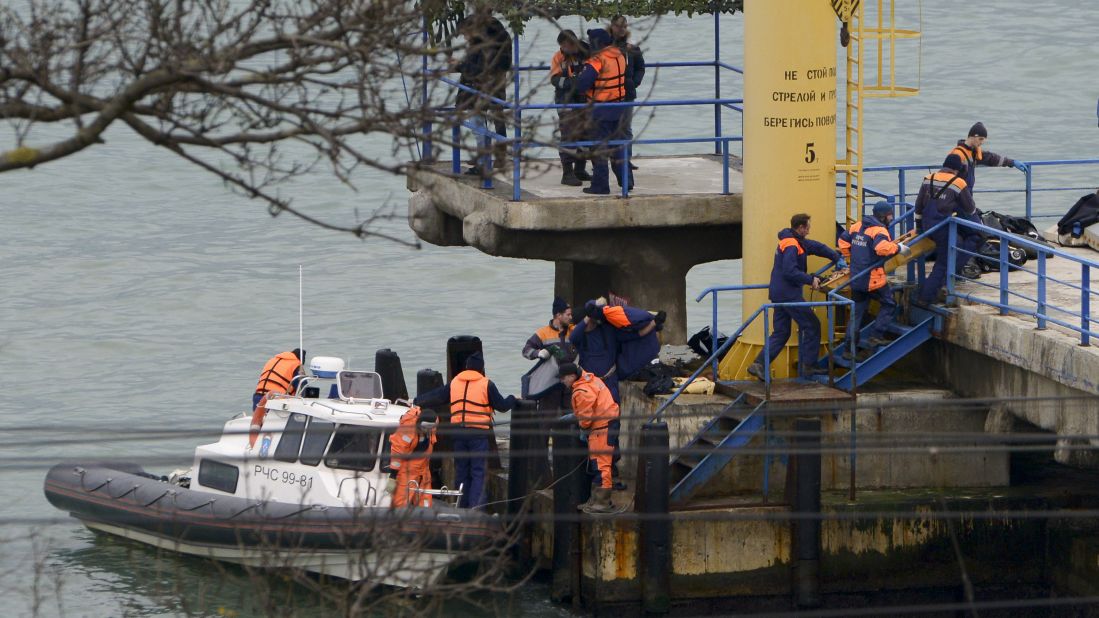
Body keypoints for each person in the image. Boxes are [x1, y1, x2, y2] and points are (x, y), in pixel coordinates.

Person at [413, 352, 517, 509]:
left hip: (458, 434)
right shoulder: (486, 384)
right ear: (481, 369)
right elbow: (502, 406)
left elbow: (437, 396)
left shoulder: (455, 382)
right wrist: (513, 398)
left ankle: (461, 506)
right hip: (477, 435)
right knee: (478, 472)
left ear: (466, 367)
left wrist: (416, 401)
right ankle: (476, 509)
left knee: (461, 471)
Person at [747, 214, 843, 381]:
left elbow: (816, 247)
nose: (810, 229)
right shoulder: (792, 244)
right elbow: (789, 271)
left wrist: (836, 257)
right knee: (812, 325)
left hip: (779, 293)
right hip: (789, 294)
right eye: (808, 227)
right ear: (800, 228)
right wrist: (810, 279)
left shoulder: (793, 240)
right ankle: (809, 367)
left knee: (782, 332)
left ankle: (758, 364)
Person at [838, 201, 909, 354]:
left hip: (856, 276)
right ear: (883, 216)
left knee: (856, 315)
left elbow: (842, 241)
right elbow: (881, 248)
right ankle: (875, 336)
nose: (891, 218)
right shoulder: (879, 231)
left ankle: (848, 351)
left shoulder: (857, 226)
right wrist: (898, 248)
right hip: (872, 279)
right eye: (890, 215)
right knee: (889, 303)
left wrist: (851, 258)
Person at [451, 11, 512, 177]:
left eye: (465, 34)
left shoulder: (482, 43)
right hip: (498, 80)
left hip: (483, 85)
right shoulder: (501, 36)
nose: (464, 37)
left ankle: (484, 160)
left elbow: (477, 68)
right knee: (496, 116)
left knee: (479, 122)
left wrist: (459, 66)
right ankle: (497, 156)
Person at [915, 155, 981, 305]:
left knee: (954, 244)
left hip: (927, 225)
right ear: (956, 169)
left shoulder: (928, 178)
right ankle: (925, 297)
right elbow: (970, 209)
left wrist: (919, 227)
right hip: (942, 227)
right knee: (945, 261)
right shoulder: (958, 182)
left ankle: (950, 274)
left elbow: (918, 205)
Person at [573, 28, 629, 195]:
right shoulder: (619, 54)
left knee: (599, 149)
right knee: (618, 146)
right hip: (619, 107)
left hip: (600, 110)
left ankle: (600, 185)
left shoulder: (597, 60)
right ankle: (627, 180)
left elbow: (582, 85)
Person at [559, 362, 620, 514]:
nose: (562, 382)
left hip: (601, 428)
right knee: (600, 462)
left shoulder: (581, 390)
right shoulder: (591, 379)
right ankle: (596, 499)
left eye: (563, 378)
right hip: (609, 422)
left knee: (600, 464)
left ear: (572, 377)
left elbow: (586, 419)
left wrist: (582, 426)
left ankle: (602, 502)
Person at [550, 30, 591, 186]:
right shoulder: (558, 57)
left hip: (584, 100)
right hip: (565, 101)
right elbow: (554, 79)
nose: (569, 49)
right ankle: (567, 173)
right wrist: (571, 83)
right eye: (565, 46)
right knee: (568, 136)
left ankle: (580, 169)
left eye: (571, 45)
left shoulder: (586, 52)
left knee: (585, 135)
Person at [588, 299, 664, 380]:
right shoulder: (611, 327)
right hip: (616, 371)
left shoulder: (612, 325)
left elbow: (638, 332)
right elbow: (638, 331)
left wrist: (654, 322)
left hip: (617, 370)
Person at [946, 122, 1026, 194]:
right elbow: (946, 180)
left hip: (966, 196)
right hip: (957, 197)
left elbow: (992, 158)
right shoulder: (957, 155)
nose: (981, 143)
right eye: (980, 139)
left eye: (983, 140)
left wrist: (1012, 162)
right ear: (973, 136)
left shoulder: (974, 153)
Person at [610, 15, 645, 174]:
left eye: (624, 26)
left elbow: (640, 68)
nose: (621, 29)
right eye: (618, 26)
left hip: (627, 94)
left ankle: (626, 159)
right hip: (608, 94)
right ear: (612, 26)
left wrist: (634, 82)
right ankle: (606, 158)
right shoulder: (604, 46)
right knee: (607, 128)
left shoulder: (633, 49)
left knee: (626, 129)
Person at [569, 300, 623, 401]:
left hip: (610, 381)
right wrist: (587, 317)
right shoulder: (580, 338)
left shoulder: (607, 330)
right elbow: (573, 337)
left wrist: (653, 323)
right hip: (589, 385)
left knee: (613, 412)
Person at [387, 405, 437, 508]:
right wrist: (392, 476)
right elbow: (397, 451)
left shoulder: (432, 424)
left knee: (426, 504)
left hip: (424, 470)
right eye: (424, 428)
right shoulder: (408, 429)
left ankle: (423, 521)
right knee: (400, 504)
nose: (426, 431)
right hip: (407, 470)